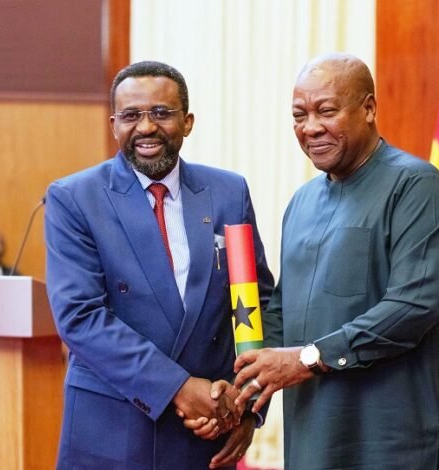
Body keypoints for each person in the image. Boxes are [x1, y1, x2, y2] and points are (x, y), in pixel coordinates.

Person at [233, 53, 439, 469]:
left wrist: (306, 359)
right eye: (299, 115)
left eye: (326, 111)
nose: (310, 127)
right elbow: (282, 310)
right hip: (315, 439)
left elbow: (414, 307)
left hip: (400, 442)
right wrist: (235, 387)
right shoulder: (302, 202)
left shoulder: (417, 187)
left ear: (368, 108)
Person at [44, 60, 274, 470]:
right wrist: (179, 388)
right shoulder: (75, 198)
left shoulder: (228, 192)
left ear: (187, 122)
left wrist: (247, 405)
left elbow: (254, 304)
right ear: (114, 124)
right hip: (112, 432)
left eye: (162, 113)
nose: (146, 127)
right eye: (131, 116)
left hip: (206, 433)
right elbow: (80, 317)